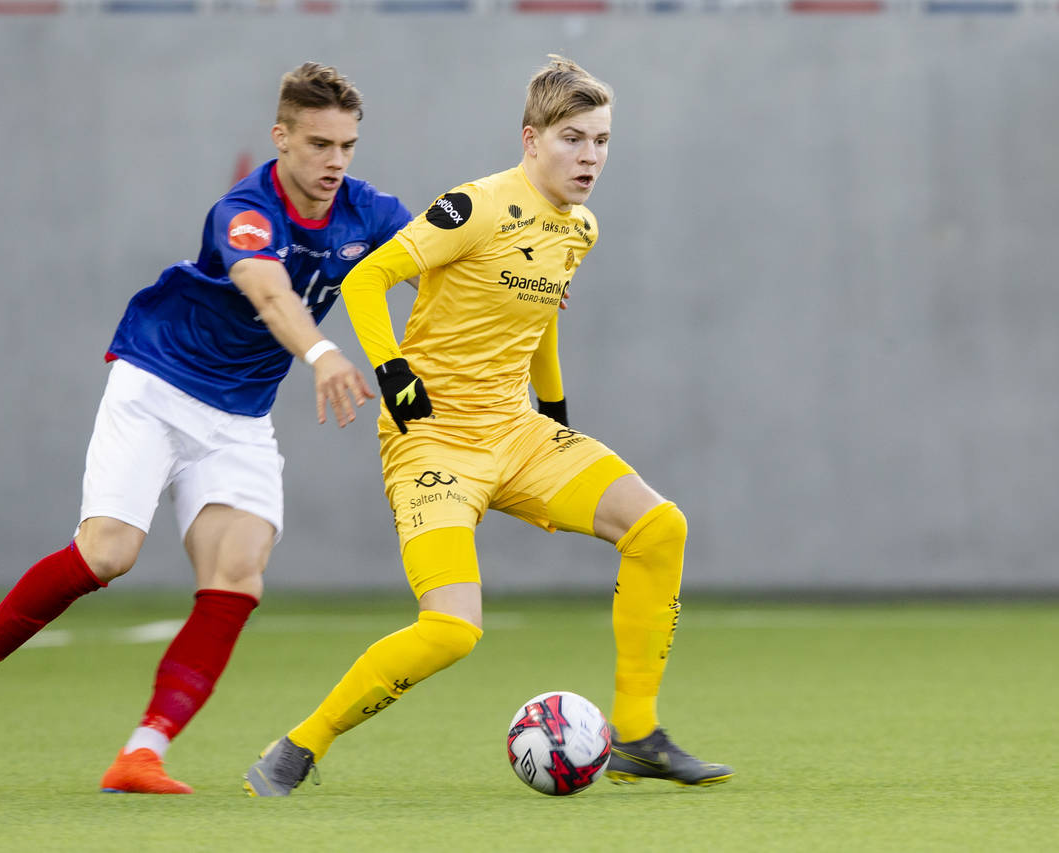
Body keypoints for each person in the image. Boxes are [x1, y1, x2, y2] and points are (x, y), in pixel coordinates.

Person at [243, 55, 732, 797]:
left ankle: (636, 734)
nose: (590, 156)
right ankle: (301, 744)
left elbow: (538, 323)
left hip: (518, 432)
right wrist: (392, 370)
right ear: (530, 139)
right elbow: (364, 277)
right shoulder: (473, 207)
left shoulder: (581, 228)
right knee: (452, 629)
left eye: (601, 140)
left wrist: (557, 412)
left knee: (660, 527)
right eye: (573, 138)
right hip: (432, 438)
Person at [0, 62, 413, 793]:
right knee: (107, 553)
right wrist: (319, 352)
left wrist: (514, 286)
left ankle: (141, 753)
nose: (335, 161)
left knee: (238, 575)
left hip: (239, 417)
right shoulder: (245, 212)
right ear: (280, 138)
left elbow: (437, 259)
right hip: (157, 385)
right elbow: (268, 288)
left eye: (346, 144)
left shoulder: (366, 210)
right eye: (319, 144)